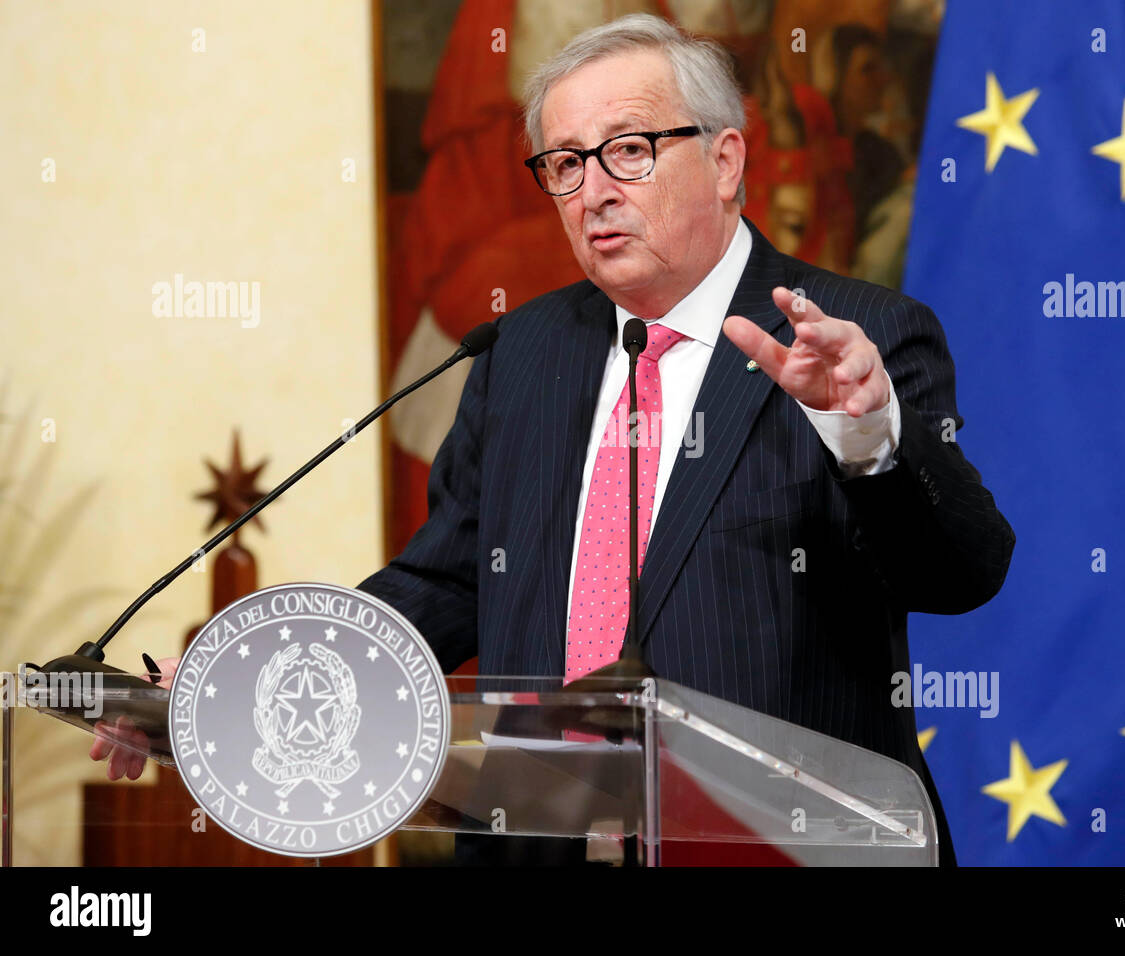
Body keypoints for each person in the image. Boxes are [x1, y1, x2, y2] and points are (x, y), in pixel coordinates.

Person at [93, 14, 1014, 867]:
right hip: (534, 845)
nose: (594, 192)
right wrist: (237, 679)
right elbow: (446, 584)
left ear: (726, 160)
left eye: (629, 151)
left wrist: (866, 433)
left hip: (781, 849)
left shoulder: (859, 334)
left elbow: (960, 575)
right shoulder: (522, 351)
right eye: (565, 164)